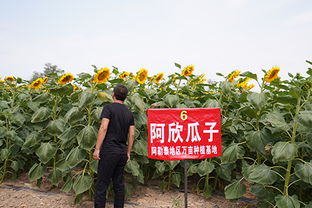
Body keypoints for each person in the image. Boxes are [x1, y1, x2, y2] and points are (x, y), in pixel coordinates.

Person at [93, 84, 135, 208]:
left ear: (113, 95)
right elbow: (131, 134)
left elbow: (104, 127)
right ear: (125, 97)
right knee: (119, 184)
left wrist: (97, 149)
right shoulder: (129, 113)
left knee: (102, 184)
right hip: (122, 152)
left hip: (109, 151)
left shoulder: (108, 108)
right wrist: (128, 152)